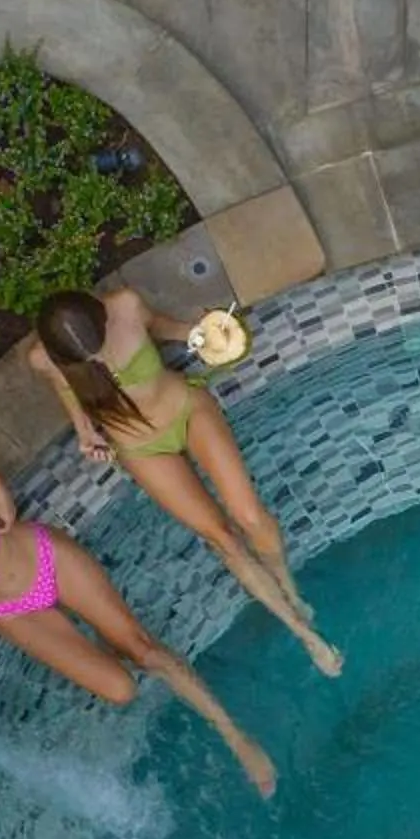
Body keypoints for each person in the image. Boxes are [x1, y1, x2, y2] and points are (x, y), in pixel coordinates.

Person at [0, 421, 277, 796]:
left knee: (144, 650)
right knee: (120, 689)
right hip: (14, 611)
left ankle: (235, 736)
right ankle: (103, 646)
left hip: (46, 559)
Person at [27, 286, 342, 677]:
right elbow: (63, 386)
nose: (99, 359)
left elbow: (168, 328)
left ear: (100, 316)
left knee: (250, 517)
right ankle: (303, 634)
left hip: (186, 411)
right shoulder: (44, 360)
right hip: (142, 449)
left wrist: (205, 333)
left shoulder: (126, 305)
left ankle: (288, 588)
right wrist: (84, 430)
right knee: (222, 539)